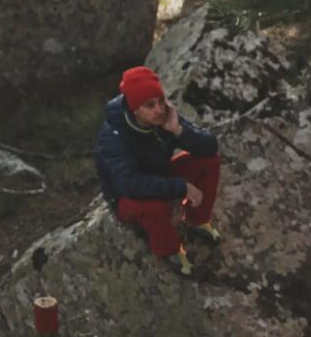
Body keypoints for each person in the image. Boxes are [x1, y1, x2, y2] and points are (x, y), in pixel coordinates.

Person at [94, 65, 221, 278]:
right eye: (150, 105)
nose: (159, 109)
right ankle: (168, 249)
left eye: (160, 101)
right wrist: (180, 187)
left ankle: (196, 219)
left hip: (159, 175)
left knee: (209, 161)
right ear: (135, 109)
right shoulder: (113, 138)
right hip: (126, 197)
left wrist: (178, 129)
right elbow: (129, 184)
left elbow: (210, 147)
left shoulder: (163, 118)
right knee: (155, 205)